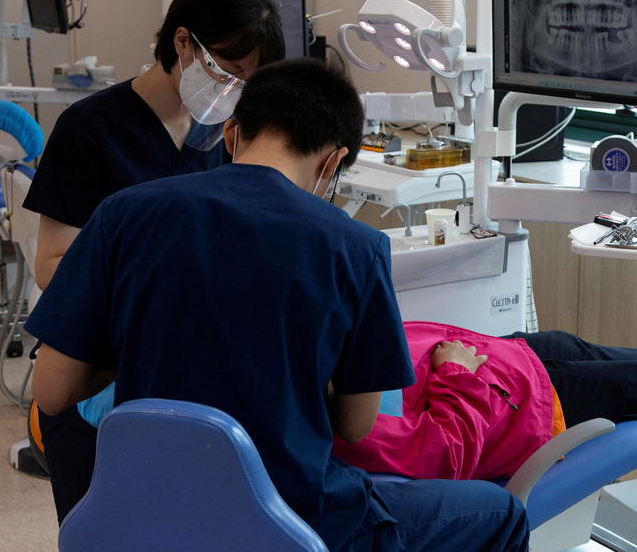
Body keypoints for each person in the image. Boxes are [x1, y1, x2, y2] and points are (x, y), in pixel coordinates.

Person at [27, 59, 529, 551]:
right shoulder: (355, 247)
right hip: (290, 520)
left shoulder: (124, 212)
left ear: (231, 134)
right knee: (498, 511)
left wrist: (145, 344)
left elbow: (51, 391)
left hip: (143, 510)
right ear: (333, 161)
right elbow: (356, 426)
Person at [22, 0, 287, 521]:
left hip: (193, 373)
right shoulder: (90, 129)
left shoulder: (229, 133)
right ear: (184, 43)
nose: (234, 91)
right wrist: (154, 290)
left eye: (248, 81)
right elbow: (51, 263)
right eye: (228, 72)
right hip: (98, 372)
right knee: (108, 528)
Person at [333, 320, 637, 481]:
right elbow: (447, 448)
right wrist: (455, 370)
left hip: (496, 363)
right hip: (520, 414)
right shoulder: (354, 425)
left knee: (569, 345)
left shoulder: (318, 363)